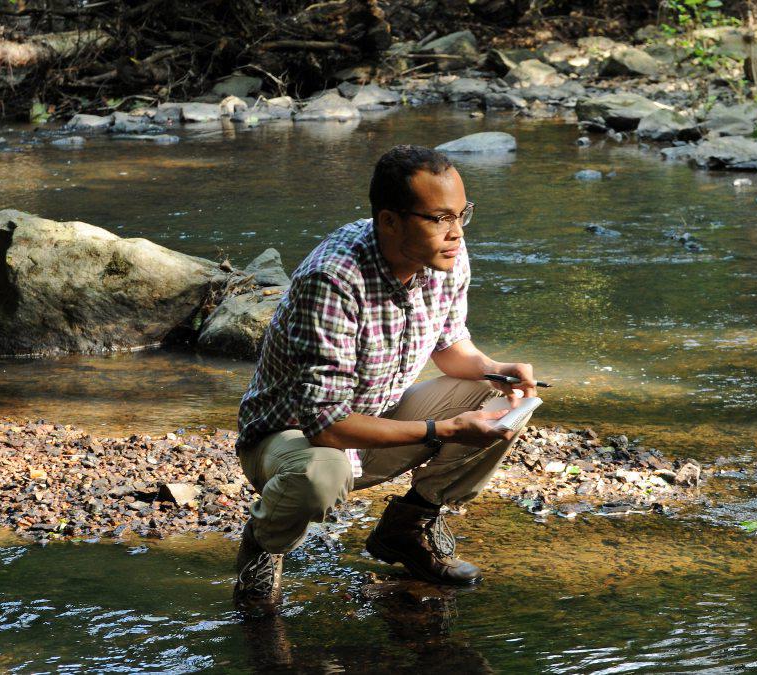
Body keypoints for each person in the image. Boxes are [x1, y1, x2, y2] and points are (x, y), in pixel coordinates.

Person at [231, 144, 539, 615]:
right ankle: (262, 546)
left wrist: (497, 370)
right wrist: (446, 430)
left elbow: (452, 349)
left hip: (373, 420)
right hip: (290, 438)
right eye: (439, 218)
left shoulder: (446, 255)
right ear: (389, 221)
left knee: (499, 399)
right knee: (323, 474)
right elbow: (328, 427)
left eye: (462, 215)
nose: (456, 233)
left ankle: (408, 528)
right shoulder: (333, 280)